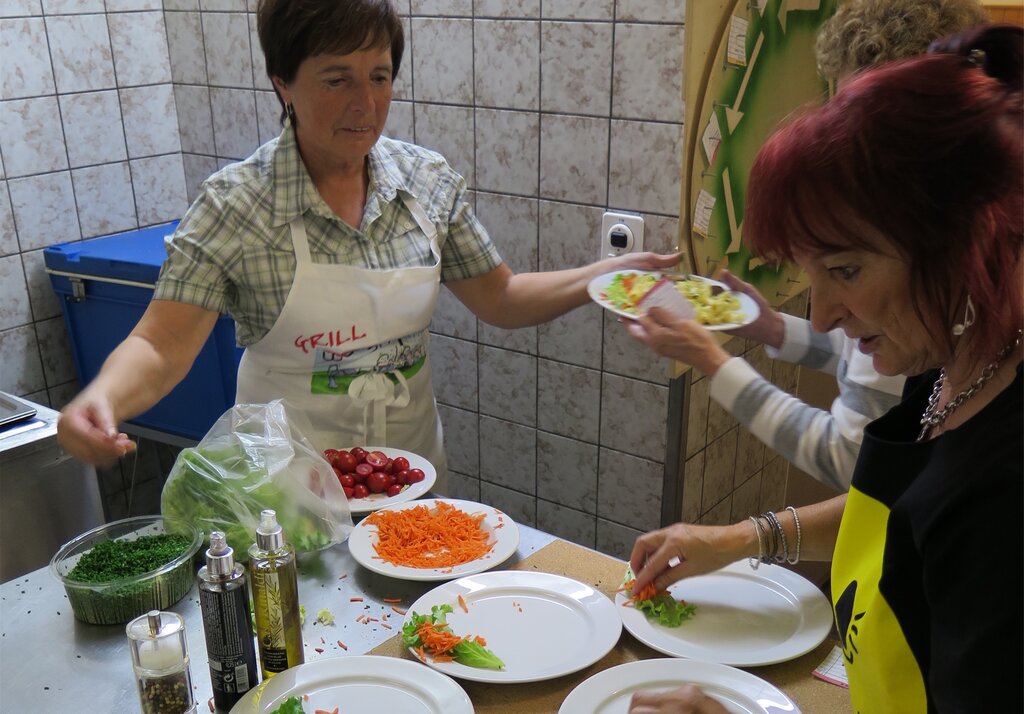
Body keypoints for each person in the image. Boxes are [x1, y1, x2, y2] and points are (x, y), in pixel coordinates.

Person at [54, 0, 678, 491]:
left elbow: (503, 296)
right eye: (337, 79)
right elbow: (160, 346)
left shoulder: (427, 183)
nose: (366, 103)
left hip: (410, 482)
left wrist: (610, 276)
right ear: (283, 84)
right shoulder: (235, 205)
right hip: (289, 499)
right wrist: (102, 400)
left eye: (379, 76)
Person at [627, 23, 1022, 713]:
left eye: (845, 269)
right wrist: (738, 540)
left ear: (970, 237)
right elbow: (900, 508)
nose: (828, 313)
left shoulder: (1006, 496)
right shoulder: (959, 349)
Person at [629, 0, 987, 493]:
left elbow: (850, 459)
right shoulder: (922, 309)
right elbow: (868, 344)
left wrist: (714, 362)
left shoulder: (927, 265)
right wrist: (771, 326)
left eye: (844, 270)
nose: (845, 142)